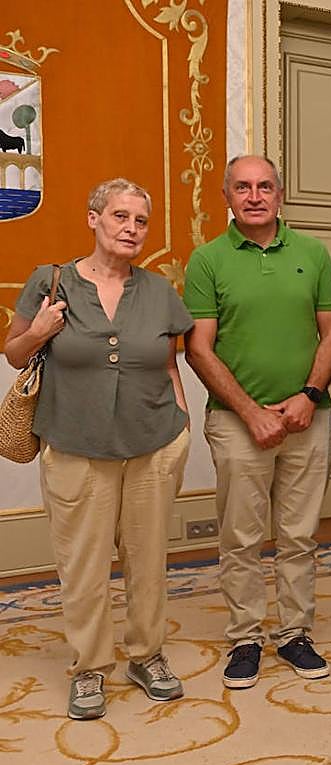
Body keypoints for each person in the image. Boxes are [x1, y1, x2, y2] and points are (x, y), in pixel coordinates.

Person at [4, 178, 192, 719]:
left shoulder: (160, 291)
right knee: (83, 566)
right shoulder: (51, 281)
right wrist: (39, 329)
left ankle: (146, 654)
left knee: (148, 560)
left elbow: (169, 364)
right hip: (74, 445)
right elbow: (15, 354)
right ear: (94, 219)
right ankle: (89, 668)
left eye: (140, 221)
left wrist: (180, 430)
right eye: (119, 217)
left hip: (151, 444)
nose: (131, 229)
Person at [183, 155, 331, 689]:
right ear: (226, 195)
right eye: (243, 187)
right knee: (241, 537)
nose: (255, 196)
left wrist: (308, 396)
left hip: (308, 418)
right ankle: (245, 638)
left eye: (265, 186)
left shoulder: (313, 253)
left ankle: (295, 633)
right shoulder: (207, 260)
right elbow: (199, 349)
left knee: (299, 536)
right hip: (236, 423)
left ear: (280, 194)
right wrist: (250, 413)